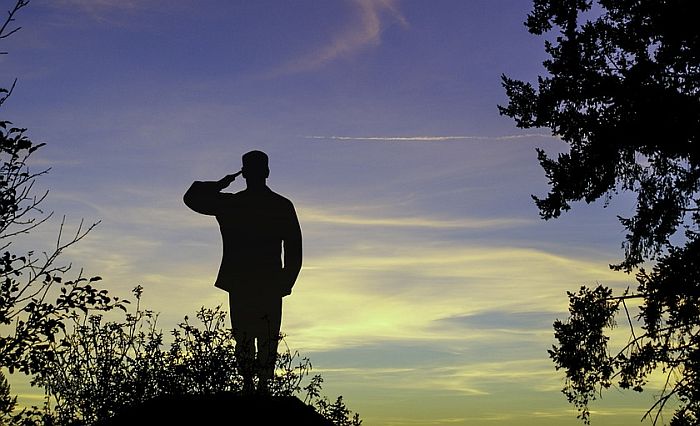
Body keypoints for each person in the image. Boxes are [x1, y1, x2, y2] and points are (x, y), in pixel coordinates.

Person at [183, 150, 302, 394]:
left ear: (244, 172)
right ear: (267, 172)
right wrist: (285, 281)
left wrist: (219, 184)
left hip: (248, 282)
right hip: (265, 282)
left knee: (248, 334)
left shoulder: (233, 204)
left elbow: (193, 197)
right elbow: (294, 250)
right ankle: (257, 385)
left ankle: (254, 384)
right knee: (261, 335)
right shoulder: (278, 205)